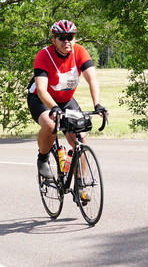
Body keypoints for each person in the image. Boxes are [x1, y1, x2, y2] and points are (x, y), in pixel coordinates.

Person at [27, 20, 106, 180]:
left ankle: (81, 183)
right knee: (50, 125)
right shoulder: (44, 55)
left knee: (81, 139)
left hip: (66, 99)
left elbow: (92, 80)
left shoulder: (80, 52)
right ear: (53, 40)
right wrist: (54, 107)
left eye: (70, 37)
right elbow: (41, 89)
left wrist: (97, 104)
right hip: (41, 99)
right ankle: (42, 158)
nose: (66, 41)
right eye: (61, 37)